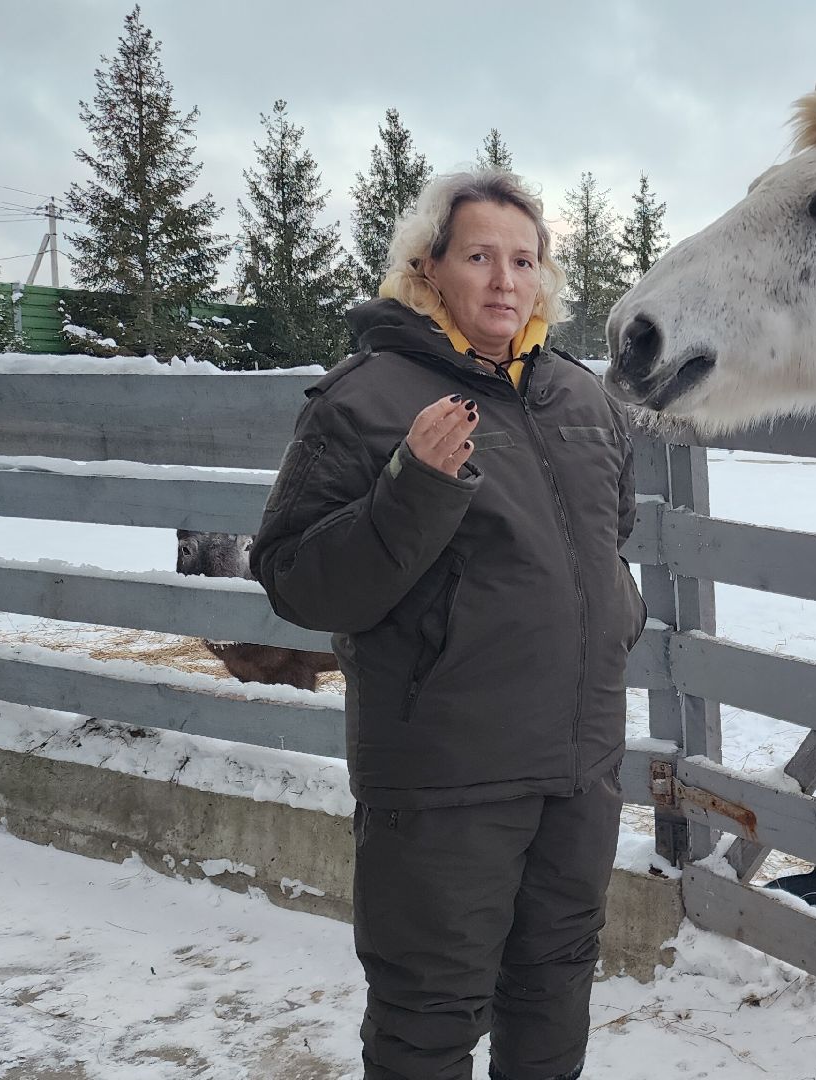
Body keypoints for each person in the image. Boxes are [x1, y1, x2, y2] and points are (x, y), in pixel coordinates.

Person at [250, 168, 644, 1080]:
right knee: (427, 1018)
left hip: (579, 766)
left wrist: (618, 617)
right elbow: (299, 582)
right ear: (428, 270)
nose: (506, 281)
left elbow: (602, 542)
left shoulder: (582, 401)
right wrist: (411, 491)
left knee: (554, 991)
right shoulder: (368, 399)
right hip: (445, 777)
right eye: (479, 257)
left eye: (524, 260)